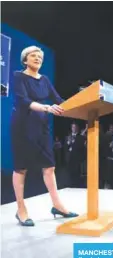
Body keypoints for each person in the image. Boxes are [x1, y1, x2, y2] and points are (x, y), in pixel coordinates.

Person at [11, 46, 78, 227]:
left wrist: (81, 105)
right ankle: (21, 210)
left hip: (41, 127)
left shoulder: (45, 80)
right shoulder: (19, 76)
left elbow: (59, 99)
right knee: (21, 168)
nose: (37, 58)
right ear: (25, 60)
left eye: (40, 56)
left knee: (49, 167)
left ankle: (57, 206)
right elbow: (23, 100)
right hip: (23, 126)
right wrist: (47, 108)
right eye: (33, 55)